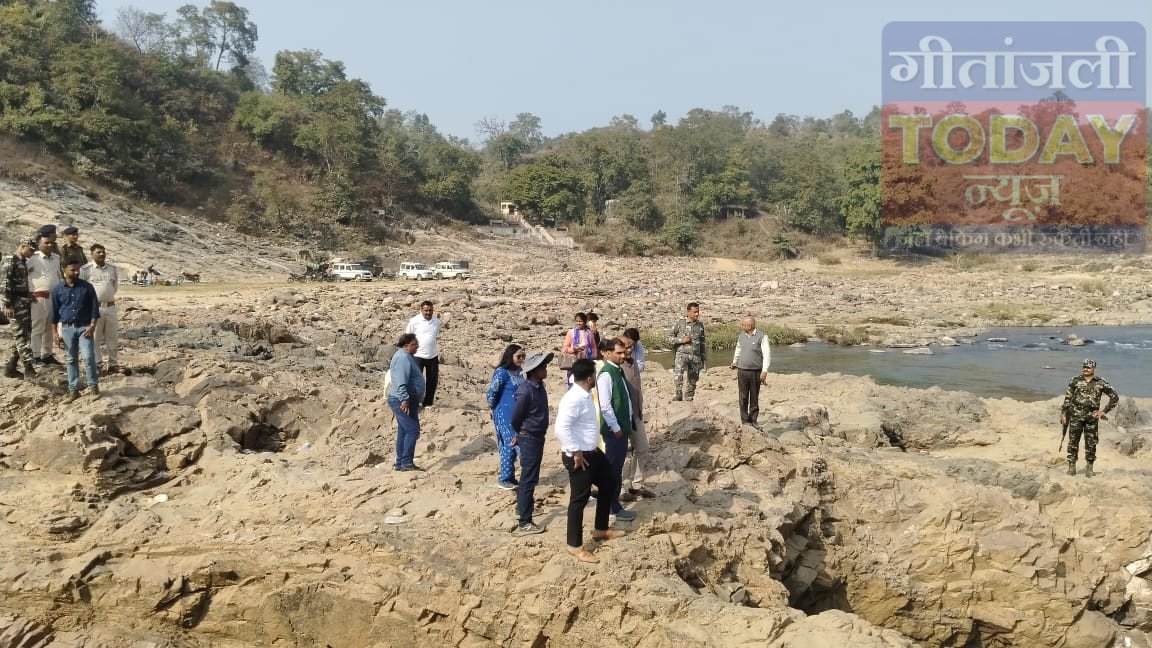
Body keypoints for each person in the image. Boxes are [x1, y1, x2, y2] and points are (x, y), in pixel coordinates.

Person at [555, 359, 625, 563]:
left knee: (609, 483)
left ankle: (600, 529)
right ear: (589, 378)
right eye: (594, 375)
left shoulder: (585, 394)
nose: (595, 378)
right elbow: (561, 428)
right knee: (579, 500)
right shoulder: (573, 399)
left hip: (593, 452)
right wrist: (575, 451)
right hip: (579, 456)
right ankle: (574, 546)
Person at [509, 351, 553, 535]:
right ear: (534, 371)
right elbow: (515, 418)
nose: (546, 369)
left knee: (531, 477)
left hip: (536, 436)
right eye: (543, 367)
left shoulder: (538, 386)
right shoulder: (525, 390)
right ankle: (524, 521)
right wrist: (520, 433)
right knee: (528, 479)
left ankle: (524, 508)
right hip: (529, 438)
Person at [597, 337, 637, 522]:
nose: (623, 355)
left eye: (624, 352)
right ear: (607, 353)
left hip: (621, 428)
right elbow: (605, 405)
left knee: (616, 468)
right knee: (612, 470)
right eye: (618, 353)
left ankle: (613, 504)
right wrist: (615, 427)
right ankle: (612, 507)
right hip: (615, 431)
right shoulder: (606, 374)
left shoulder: (617, 370)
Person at [51, 260, 101, 400]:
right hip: (67, 329)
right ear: (64, 270)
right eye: (73, 270)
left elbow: (94, 309)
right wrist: (54, 333)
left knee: (88, 357)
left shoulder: (87, 287)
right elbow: (54, 313)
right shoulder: (57, 289)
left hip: (85, 328)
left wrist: (92, 325)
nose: (77, 272)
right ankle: (73, 390)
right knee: (71, 359)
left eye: (77, 269)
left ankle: (93, 387)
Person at [1060, 359, 1119, 478]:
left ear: (1094, 369)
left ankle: (1089, 467)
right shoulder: (1075, 380)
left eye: (1088, 367)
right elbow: (1068, 398)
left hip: (1091, 418)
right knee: (1073, 442)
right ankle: (1072, 466)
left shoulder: (1101, 382)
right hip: (1076, 416)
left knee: (1091, 443)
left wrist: (1103, 411)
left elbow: (1114, 397)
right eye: (1084, 367)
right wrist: (1064, 413)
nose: (1085, 369)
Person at [619, 334, 655, 502]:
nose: (629, 350)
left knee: (642, 448)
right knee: (619, 454)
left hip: (636, 413)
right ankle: (619, 488)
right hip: (621, 417)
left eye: (631, 346)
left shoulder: (633, 363)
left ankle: (637, 483)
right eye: (626, 347)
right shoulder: (614, 368)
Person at [486, 344, 525, 489]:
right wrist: (492, 407)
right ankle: (504, 478)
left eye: (523, 356)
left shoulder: (519, 372)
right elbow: (492, 392)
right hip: (504, 413)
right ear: (510, 356)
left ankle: (510, 477)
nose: (521, 359)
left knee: (517, 441)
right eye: (518, 356)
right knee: (510, 443)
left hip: (517, 414)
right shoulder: (502, 372)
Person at [387, 333, 427, 471]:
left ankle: (400, 463)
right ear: (406, 345)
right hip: (402, 400)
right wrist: (404, 399)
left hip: (408, 399)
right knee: (412, 430)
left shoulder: (406, 356)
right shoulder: (402, 358)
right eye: (414, 344)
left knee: (404, 431)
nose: (417, 346)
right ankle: (406, 462)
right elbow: (400, 381)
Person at [80, 244, 120, 374]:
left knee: (112, 337)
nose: (102, 254)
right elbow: (81, 289)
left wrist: (106, 297)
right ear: (92, 254)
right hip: (94, 308)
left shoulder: (112, 269)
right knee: (95, 337)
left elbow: (114, 287)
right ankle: (97, 364)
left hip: (110, 307)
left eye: (103, 252)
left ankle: (113, 364)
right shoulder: (86, 270)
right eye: (98, 252)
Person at [1, 239, 38, 380]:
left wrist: (27, 294)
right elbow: (5, 283)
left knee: (24, 333)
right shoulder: (10, 259)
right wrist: (7, 304)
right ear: (23, 246)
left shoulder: (21, 261)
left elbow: (19, 282)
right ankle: (29, 368)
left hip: (23, 301)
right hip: (14, 303)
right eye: (31, 250)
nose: (32, 253)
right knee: (21, 335)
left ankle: (11, 366)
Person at [730, 316, 772, 428]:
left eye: (743, 324)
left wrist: (764, 371)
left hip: (755, 371)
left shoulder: (762, 336)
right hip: (742, 370)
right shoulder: (741, 335)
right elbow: (738, 349)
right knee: (743, 396)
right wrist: (734, 362)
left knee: (754, 396)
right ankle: (745, 421)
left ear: (750, 326)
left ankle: (753, 420)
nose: (741, 326)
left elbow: (767, 354)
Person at [27, 234, 61, 365]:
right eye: (46, 243)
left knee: (50, 326)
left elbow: (58, 275)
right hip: (38, 297)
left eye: (51, 243)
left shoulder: (56, 258)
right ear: (38, 244)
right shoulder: (32, 258)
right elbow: (24, 275)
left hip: (53, 296)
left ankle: (47, 354)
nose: (49, 245)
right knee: (37, 327)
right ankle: (35, 355)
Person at [404, 300, 442, 407]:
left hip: (432, 356)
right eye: (426, 310)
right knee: (416, 381)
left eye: (430, 310)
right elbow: (407, 337)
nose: (428, 313)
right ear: (421, 310)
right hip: (417, 356)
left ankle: (428, 403)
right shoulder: (414, 321)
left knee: (432, 381)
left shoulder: (437, 322)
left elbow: (435, 336)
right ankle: (414, 403)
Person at [669, 302, 706, 401]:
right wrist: (681, 340)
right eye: (694, 312)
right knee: (678, 376)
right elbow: (669, 338)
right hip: (682, 355)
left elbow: (703, 343)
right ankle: (678, 395)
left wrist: (704, 360)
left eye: (698, 312)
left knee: (693, 378)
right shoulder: (680, 323)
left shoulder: (700, 325)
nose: (697, 314)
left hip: (695, 356)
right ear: (688, 312)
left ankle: (689, 397)